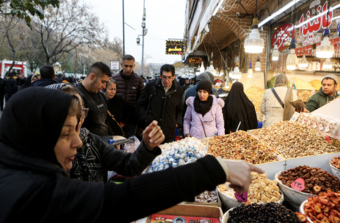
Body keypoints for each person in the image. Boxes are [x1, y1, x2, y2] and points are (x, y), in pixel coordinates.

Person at [0, 87, 263, 222]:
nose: (78, 141)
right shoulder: (32, 195)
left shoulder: (21, 171)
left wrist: (147, 148)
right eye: (67, 132)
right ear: (37, 134)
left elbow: (127, 166)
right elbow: (120, 199)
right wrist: (215, 169)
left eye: (79, 125)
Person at [46, 83, 162, 183]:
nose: (79, 118)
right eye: (71, 111)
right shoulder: (40, 157)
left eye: (81, 110)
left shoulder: (91, 141)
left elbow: (129, 164)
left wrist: (147, 146)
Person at [137, 64, 183, 143]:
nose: (166, 80)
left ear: (174, 77)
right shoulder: (151, 86)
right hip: (152, 130)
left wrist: (177, 123)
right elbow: (141, 104)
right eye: (164, 77)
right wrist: (145, 118)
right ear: (160, 76)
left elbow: (180, 109)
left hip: (169, 133)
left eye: (169, 77)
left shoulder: (178, 90)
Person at [76, 62, 112, 139]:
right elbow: (78, 129)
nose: (104, 86)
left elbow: (105, 121)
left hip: (105, 142)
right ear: (92, 76)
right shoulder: (77, 96)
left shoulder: (101, 95)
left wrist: (112, 137)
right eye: (103, 82)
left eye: (106, 83)